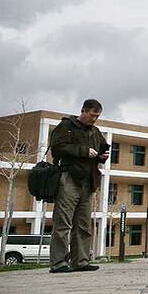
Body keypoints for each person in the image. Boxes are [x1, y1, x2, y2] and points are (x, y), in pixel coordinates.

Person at [49, 99, 109, 273]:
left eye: (97, 116)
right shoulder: (66, 126)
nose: (94, 119)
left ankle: (80, 261)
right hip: (69, 178)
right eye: (92, 115)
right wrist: (83, 151)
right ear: (83, 111)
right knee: (63, 223)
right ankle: (58, 263)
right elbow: (57, 148)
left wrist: (101, 156)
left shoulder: (96, 132)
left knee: (83, 224)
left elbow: (100, 150)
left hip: (88, 181)